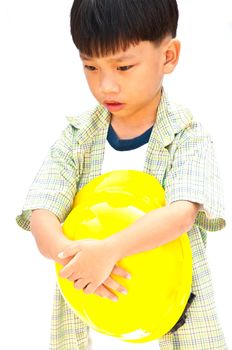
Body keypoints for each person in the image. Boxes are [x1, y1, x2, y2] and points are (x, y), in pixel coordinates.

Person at [16, 0, 228, 349]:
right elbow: (43, 211)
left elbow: (181, 214)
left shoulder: (187, 136)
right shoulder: (76, 138)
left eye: (124, 66)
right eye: (90, 67)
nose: (106, 86)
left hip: (171, 312)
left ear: (169, 56)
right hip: (89, 309)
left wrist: (109, 251)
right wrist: (72, 256)